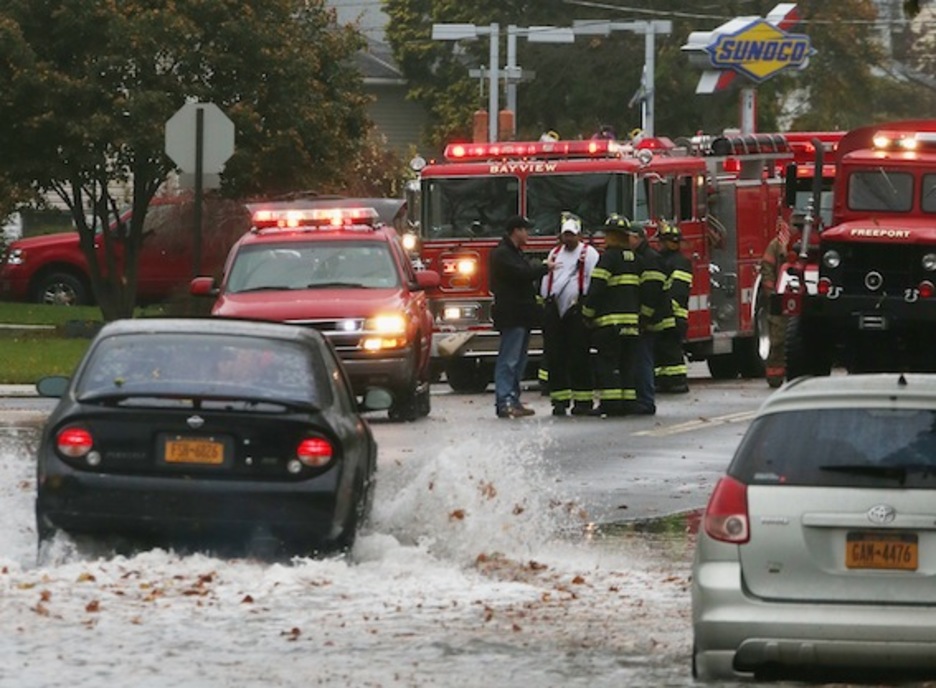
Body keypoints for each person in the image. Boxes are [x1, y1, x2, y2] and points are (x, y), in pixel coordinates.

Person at [490, 215, 555, 419]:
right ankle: (505, 400)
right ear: (515, 231)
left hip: (522, 315)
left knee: (519, 361)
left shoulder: (515, 253)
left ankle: (514, 400)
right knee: (508, 359)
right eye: (525, 230)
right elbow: (521, 274)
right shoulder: (502, 254)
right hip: (512, 315)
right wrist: (544, 268)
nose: (528, 234)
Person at [540, 213, 600, 416]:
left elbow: (594, 280)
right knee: (555, 357)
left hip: (577, 310)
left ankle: (583, 402)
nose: (568, 239)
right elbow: (546, 280)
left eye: (572, 235)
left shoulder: (589, 254)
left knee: (579, 356)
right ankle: (560, 400)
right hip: (555, 310)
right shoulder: (554, 253)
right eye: (565, 235)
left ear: (579, 235)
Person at [581, 214, 642, 417]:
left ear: (612, 236)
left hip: (610, 325)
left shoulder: (608, 258)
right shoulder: (634, 259)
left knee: (608, 364)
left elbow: (597, 289)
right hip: (632, 324)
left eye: (607, 234)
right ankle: (628, 403)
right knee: (627, 365)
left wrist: (587, 313)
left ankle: (611, 404)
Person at [626, 221, 669, 415]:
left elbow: (651, 291)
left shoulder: (649, 259)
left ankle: (645, 400)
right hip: (646, 318)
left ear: (638, 238)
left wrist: (644, 317)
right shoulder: (643, 256)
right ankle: (641, 398)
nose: (627, 241)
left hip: (648, 320)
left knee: (643, 359)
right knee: (639, 358)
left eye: (629, 237)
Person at [760, 213, 804, 387]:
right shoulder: (778, 245)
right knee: (778, 340)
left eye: (799, 226)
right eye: (795, 225)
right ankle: (774, 376)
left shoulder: (810, 243)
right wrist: (772, 293)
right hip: (781, 298)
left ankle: (798, 377)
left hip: (801, 297)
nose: (796, 229)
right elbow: (767, 267)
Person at [654, 221, 693, 394]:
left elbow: (678, 291)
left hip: (674, 314)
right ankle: (665, 381)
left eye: (662, 241)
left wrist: (668, 312)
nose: (660, 244)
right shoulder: (664, 260)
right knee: (663, 350)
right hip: (666, 314)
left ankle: (677, 382)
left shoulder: (680, 262)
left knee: (672, 351)